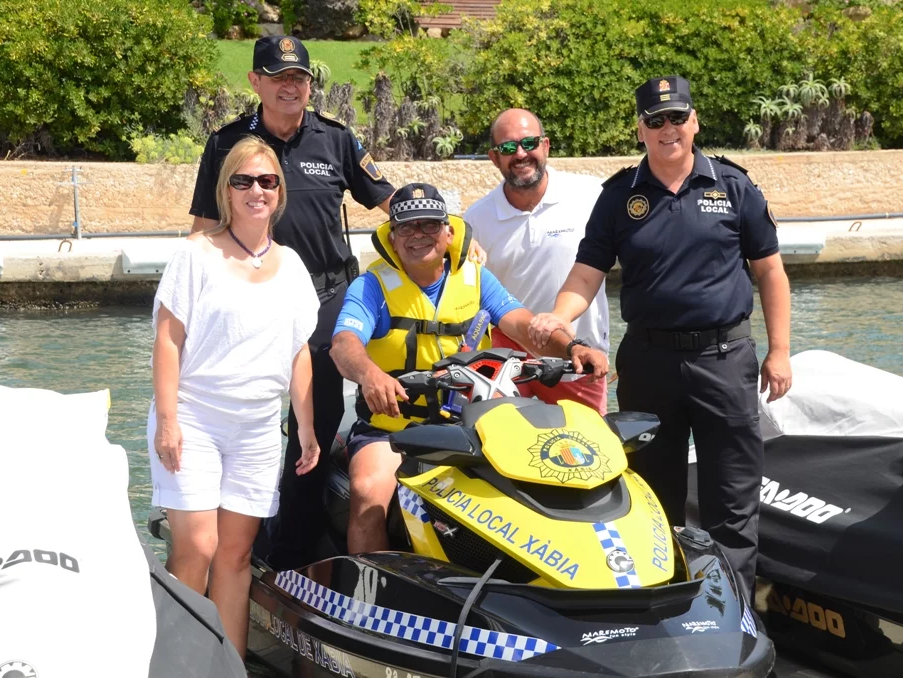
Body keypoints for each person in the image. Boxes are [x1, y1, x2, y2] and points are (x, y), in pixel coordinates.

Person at [528, 76, 792, 601]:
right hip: (649, 364)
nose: (668, 129)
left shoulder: (734, 187)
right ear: (641, 130)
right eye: (655, 121)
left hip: (725, 358)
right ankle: (666, 607)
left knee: (732, 502)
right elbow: (587, 273)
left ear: (694, 122)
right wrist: (560, 317)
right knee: (651, 496)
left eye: (677, 118)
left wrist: (780, 351)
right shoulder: (619, 196)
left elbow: (770, 272)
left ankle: (734, 611)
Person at [187, 35, 395, 570]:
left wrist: (451, 230)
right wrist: (186, 303)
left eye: (299, 79)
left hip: (324, 297)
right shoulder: (226, 145)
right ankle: (231, 533)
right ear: (255, 82)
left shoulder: (336, 139)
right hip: (250, 298)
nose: (291, 88)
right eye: (279, 78)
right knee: (246, 413)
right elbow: (204, 229)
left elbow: (388, 199)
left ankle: (291, 552)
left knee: (317, 424)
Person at [330, 183, 610, 554]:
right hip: (392, 430)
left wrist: (574, 348)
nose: (419, 236)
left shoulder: (477, 279)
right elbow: (343, 343)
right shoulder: (371, 287)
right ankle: (370, 596)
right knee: (368, 493)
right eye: (407, 228)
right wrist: (370, 375)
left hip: (469, 427)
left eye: (430, 225)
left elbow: (525, 327)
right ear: (392, 238)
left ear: (449, 233)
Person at [151, 136, 320, 657]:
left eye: (267, 181)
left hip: (258, 430)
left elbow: (298, 352)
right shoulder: (194, 255)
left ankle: (228, 666)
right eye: (243, 180)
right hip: (195, 420)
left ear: (279, 191)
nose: (255, 190)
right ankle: (175, 664)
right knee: (197, 548)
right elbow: (167, 339)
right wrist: (167, 421)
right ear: (226, 190)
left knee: (237, 556)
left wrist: (307, 429)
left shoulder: (291, 265)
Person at [463, 108, 611, 414]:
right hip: (506, 366)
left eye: (529, 143)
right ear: (493, 157)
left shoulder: (591, 195)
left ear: (546, 145)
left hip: (578, 358)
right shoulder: (476, 220)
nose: (520, 154)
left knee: (587, 454)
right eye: (507, 148)